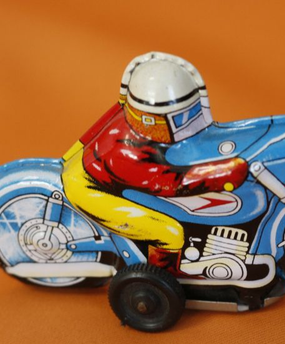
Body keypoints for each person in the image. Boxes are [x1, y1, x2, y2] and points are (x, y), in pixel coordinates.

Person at [61, 52, 248, 274]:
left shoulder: (138, 125)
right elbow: (170, 183)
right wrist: (224, 174)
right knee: (170, 232)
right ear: (150, 120)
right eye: (180, 118)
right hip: (89, 188)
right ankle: (162, 278)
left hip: (100, 173)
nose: (189, 123)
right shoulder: (126, 151)